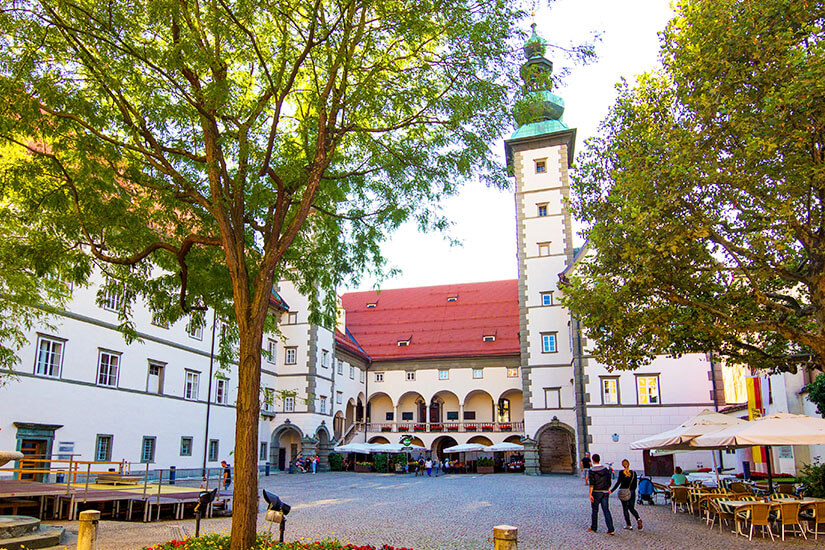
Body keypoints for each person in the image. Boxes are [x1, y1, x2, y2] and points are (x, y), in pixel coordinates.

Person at [611, 459, 643, 530]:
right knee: (631, 508)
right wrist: (632, 490)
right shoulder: (634, 473)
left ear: (622, 465)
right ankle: (638, 518)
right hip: (632, 492)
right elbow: (635, 485)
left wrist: (611, 491)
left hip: (624, 492)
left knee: (625, 508)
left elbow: (618, 483)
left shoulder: (621, 473)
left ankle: (629, 525)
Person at [587, 453, 614, 535]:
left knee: (595, 510)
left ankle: (594, 527)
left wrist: (590, 494)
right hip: (605, 492)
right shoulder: (605, 470)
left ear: (593, 460)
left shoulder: (592, 471)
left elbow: (592, 483)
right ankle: (611, 529)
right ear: (599, 459)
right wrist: (608, 488)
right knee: (606, 510)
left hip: (596, 492)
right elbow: (609, 480)